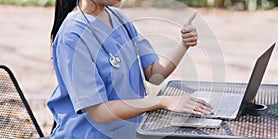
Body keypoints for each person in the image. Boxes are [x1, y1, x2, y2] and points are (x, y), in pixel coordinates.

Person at [48, 0, 214, 138]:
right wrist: (162, 101)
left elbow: (155, 74)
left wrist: (184, 44)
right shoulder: (71, 35)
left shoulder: (118, 17)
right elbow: (99, 112)